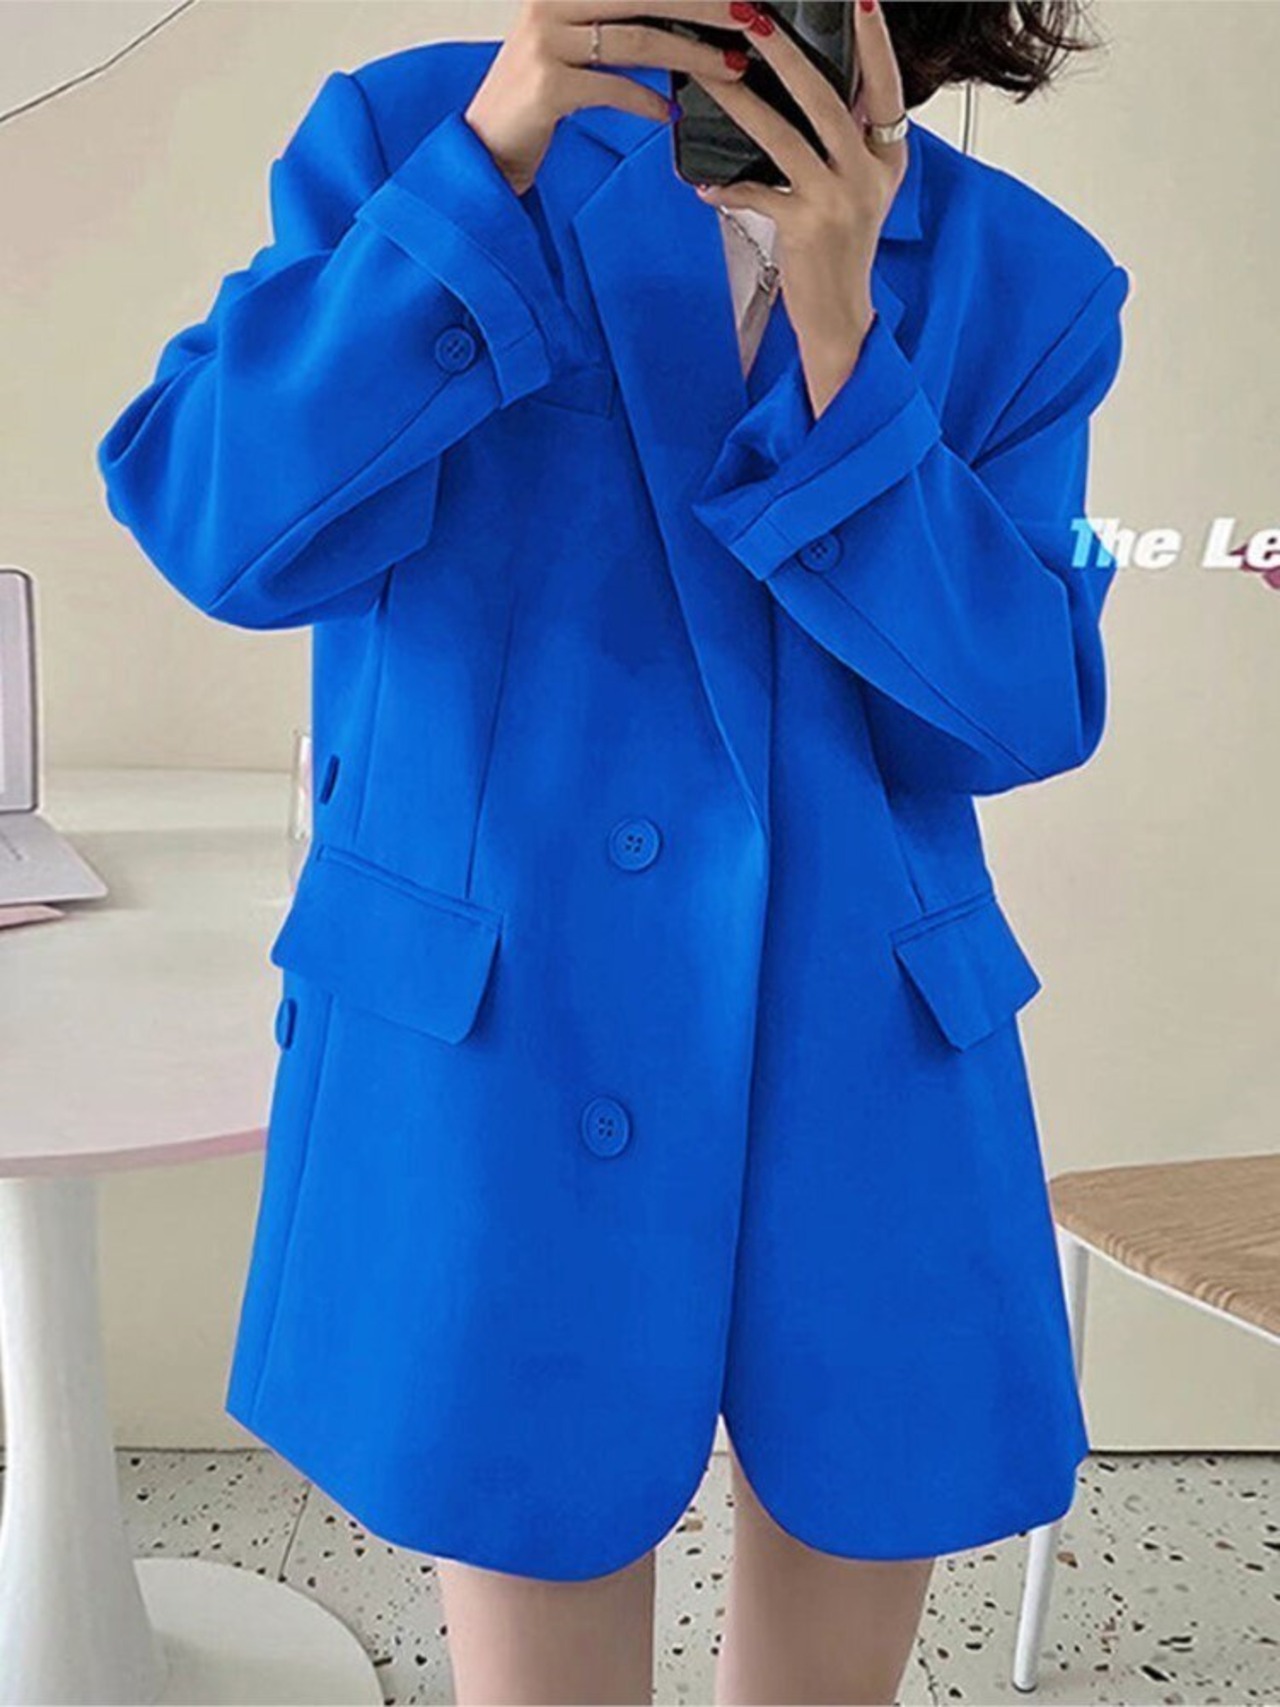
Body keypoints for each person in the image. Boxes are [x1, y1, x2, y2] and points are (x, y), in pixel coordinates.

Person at [96, 4, 1132, 1701]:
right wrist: (482, 168)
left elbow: (1010, 720)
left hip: (863, 1071)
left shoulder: (1024, 280)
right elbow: (219, 522)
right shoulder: (421, 140)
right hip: (507, 1053)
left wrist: (844, 338)